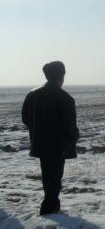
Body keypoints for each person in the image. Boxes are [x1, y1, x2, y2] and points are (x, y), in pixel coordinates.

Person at [22, 61, 80, 215]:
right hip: (58, 146)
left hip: (40, 143)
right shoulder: (65, 98)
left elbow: (25, 119)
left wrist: (38, 131)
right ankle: (49, 209)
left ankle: (52, 206)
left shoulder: (32, 94)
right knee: (54, 178)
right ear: (62, 76)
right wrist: (75, 136)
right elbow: (69, 127)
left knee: (47, 176)